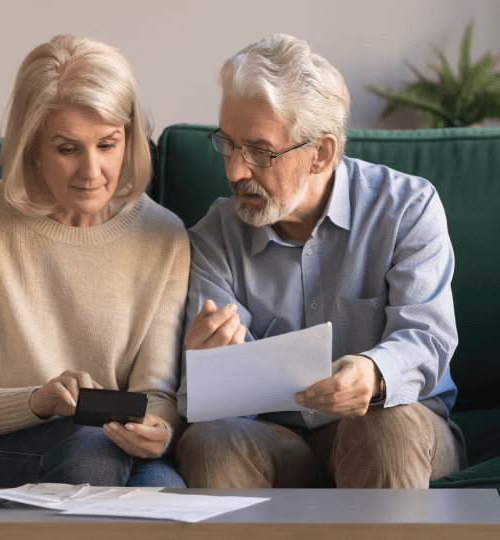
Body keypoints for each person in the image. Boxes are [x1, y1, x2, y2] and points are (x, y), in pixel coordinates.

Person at [174, 34, 467, 489]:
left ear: (321, 154)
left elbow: (427, 338)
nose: (234, 170)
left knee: (387, 425)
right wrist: (208, 368)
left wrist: (373, 373)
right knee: (211, 441)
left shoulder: (407, 208)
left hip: (393, 422)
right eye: (227, 143)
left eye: (259, 151)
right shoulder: (214, 234)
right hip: (274, 437)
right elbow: (206, 403)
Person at [0, 35, 190, 488]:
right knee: (90, 451)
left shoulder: (165, 236)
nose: (92, 172)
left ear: (128, 139)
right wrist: (38, 400)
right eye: (67, 149)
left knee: (165, 490)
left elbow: (157, 393)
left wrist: (158, 430)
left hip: (110, 446)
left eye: (107, 145)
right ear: (31, 146)